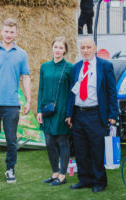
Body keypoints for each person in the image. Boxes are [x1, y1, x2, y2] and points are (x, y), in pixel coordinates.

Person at [0, 18, 31, 184]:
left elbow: (26, 78)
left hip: (11, 105)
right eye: (6, 31)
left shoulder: (22, 54)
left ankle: (10, 169)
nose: (9, 35)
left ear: (16, 33)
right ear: (1, 32)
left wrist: (29, 100)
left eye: (12, 32)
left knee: (11, 139)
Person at [66, 38, 118, 192]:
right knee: (81, 150)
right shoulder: (76, 68)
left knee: (96, 149)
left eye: (89, 47)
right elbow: (71, 93)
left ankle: (99, 181)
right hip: (78, 114)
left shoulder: (105, 66)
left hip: (96, 114)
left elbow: (111, 92)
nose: (86, 50)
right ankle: (85, 180)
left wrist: (113, 114)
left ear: (95, 48)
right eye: (83, 47)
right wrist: (70, 114)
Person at [36, 37, 73, 186]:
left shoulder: (70, 68)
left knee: (62, 142)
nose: (57, 50)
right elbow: (41, 89)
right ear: (52, 48)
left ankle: (63, 176)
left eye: (60, 48)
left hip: (62, 111)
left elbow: (72, 93)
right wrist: (39, 110)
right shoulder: (44, 66)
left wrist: (70, 113)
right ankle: (55, 173)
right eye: (55, 47)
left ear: (65, 50)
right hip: (46, 111)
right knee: (49, 143)